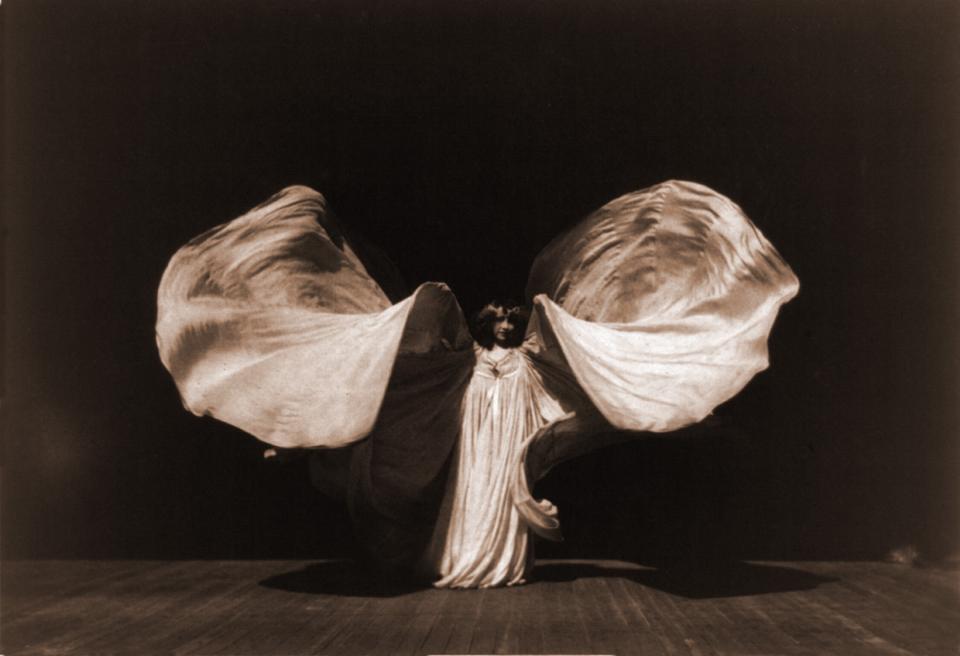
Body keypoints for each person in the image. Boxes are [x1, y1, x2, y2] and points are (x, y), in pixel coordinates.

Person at [156, 180, 799, 588]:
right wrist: (300, 433)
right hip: (472, 447)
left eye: (505, 322)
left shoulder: (530, 363)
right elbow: (392, 390)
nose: (499, 326)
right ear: (481, 326)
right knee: (461, 498)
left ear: (513, 327)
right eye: (492, 321)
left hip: (507, 441)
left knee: (497, 498)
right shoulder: (453, 367)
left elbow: (582, 397)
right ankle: (457, 562)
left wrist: (673, 403)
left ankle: (499, 563)